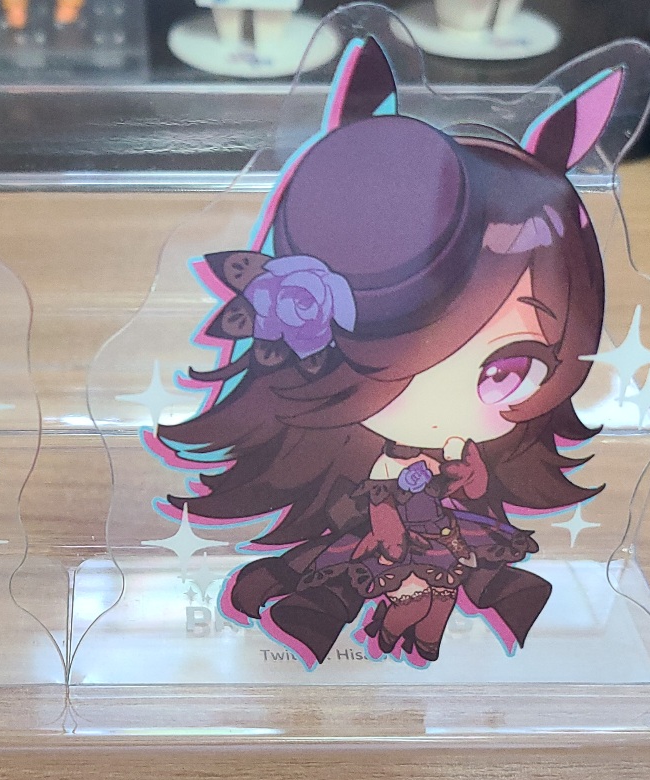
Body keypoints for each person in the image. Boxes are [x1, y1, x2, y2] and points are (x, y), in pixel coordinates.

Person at [158, 40, 623, 666]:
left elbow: (470, 485)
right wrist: (388, 528)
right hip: (384, 524)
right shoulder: (368, 460)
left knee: (446, 574)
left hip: (438, 528)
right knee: (353, 563)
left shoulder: (462, 450)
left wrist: (468, 478)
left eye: (508, 369)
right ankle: (311, 608)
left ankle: (422, 632)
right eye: (409, 357)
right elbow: (378, 502)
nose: (446, 399)